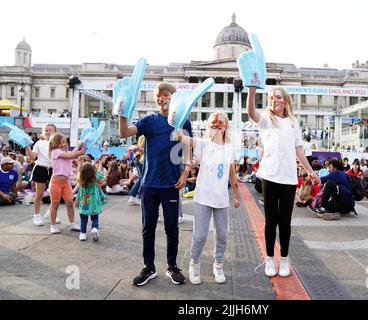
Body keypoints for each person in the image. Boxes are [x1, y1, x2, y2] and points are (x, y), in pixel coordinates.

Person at [119, 82, 192, 286]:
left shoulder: (183, 120)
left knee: (171, 228)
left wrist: (186, 171)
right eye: (158, 95)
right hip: (150, 183)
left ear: (173, 97)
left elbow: (188, 148)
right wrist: (122, 112)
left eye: (166, 94)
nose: (162, 98)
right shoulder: (150, 121)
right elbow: (124, 132)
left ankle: (172, 266)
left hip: (171, 183)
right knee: (148, 227)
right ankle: (149, 267)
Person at [246, 85, 318, 278]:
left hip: (288, 178)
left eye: (278, 97)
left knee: (285, 222)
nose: (274, 100)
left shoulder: (293, 123)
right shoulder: (266, 120)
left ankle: (284, 260)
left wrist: (310, 171)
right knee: (271, 221)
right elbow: (251, 113)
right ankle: (270, 259)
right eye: (270, 97)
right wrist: (252, 91)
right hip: (270, 176)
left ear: (285, 101)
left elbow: (299, 149)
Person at [175, 111, 239, 285]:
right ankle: (194, 263)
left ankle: (218, 265)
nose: (217, 125)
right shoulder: (203, 144)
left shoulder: (229, 148)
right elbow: (182, 139)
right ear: (208, 126)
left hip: (221, 200)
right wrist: (175, 124)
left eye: (221, 122)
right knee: (200, 235)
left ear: (226, 126)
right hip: (203, 197)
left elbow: (232, 173)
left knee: (223, 235)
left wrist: (236, 196)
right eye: (213, 123)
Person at [47, 133, 85, 234]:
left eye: (64, 142)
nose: (63, 144)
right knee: (55, 204)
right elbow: (73, 154)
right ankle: (53, 225)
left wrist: (85, 145)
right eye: (60, 143)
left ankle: (72, 223)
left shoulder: (66, 152)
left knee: (69, 203)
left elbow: (79, 153)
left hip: (66, 183)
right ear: (54, 144)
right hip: (55, 183)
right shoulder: (55, 152)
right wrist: (78, 144)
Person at [25, 124, 57, 226]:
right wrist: (27, 146)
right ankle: (36, 215)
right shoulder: (39, 143)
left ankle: (49, 213)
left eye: (50, 130)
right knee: (39, 194)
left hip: (53, 169)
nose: (48, 132)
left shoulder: (58, 144)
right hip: (40, 168)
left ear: (55, 132)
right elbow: (32, 157)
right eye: (46, 130)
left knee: (56, 194)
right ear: (43, 132)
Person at [75, 163, 106, 241]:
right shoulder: (95, 179)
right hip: (94, 204)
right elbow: (102, 176)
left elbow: (79, 193)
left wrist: (77, 201)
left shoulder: (81, 181)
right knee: (95, 218)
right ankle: (94, 228)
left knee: (83, 220)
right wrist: (99, 167)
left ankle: (83, 234)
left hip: (84, 203)